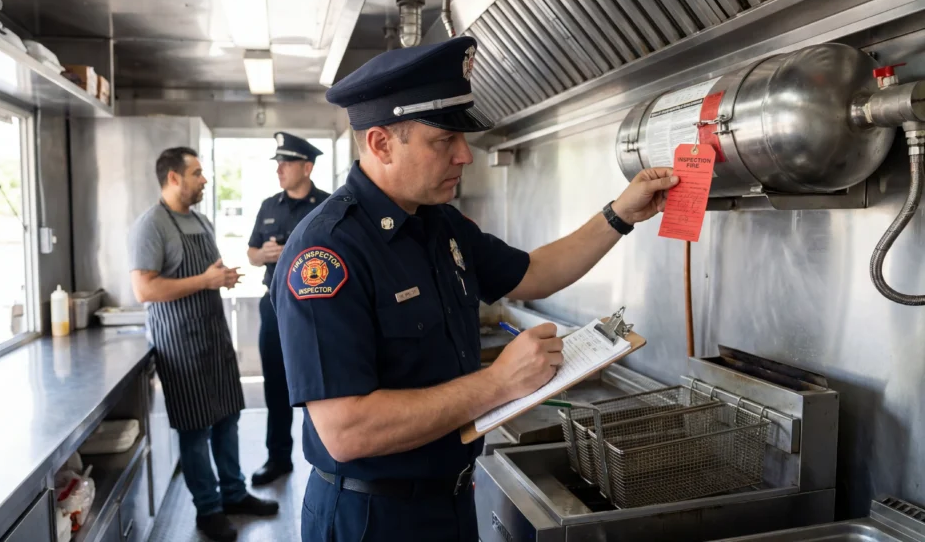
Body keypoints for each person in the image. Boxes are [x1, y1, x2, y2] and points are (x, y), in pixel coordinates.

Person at [270, 37, 679, 541]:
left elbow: (532, 273)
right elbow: (346, 430)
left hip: (450, 503)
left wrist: (620, 214)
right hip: (371, 518)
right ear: (380, 143)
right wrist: (500, 383)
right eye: (443, 141)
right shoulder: (327, 252)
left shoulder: (438, 224)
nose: (465, 155)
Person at [128, 147, 279, 542]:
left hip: (214, 338)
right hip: (180, 346)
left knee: (228, 418)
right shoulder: (151, 226)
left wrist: (222, 277)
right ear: (173, 178)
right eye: (197, 173)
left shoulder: (201, 221)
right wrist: (204, 282)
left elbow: (204, 275)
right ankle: (208, 510)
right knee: (195, 431)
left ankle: (233, 493)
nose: (204, 180)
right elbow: (144, 289)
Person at [246, 132, 330, 485]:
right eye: (278, 163)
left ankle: (328, 457)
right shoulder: (269, 205)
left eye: (287, 162)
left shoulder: (328, 204)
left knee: (323, 384)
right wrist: (262, 256)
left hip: (320, 311)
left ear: (307, 167)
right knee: (276, 386)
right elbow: (251, 253)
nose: (279, 169)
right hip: (275, 307)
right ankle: (278, 458)